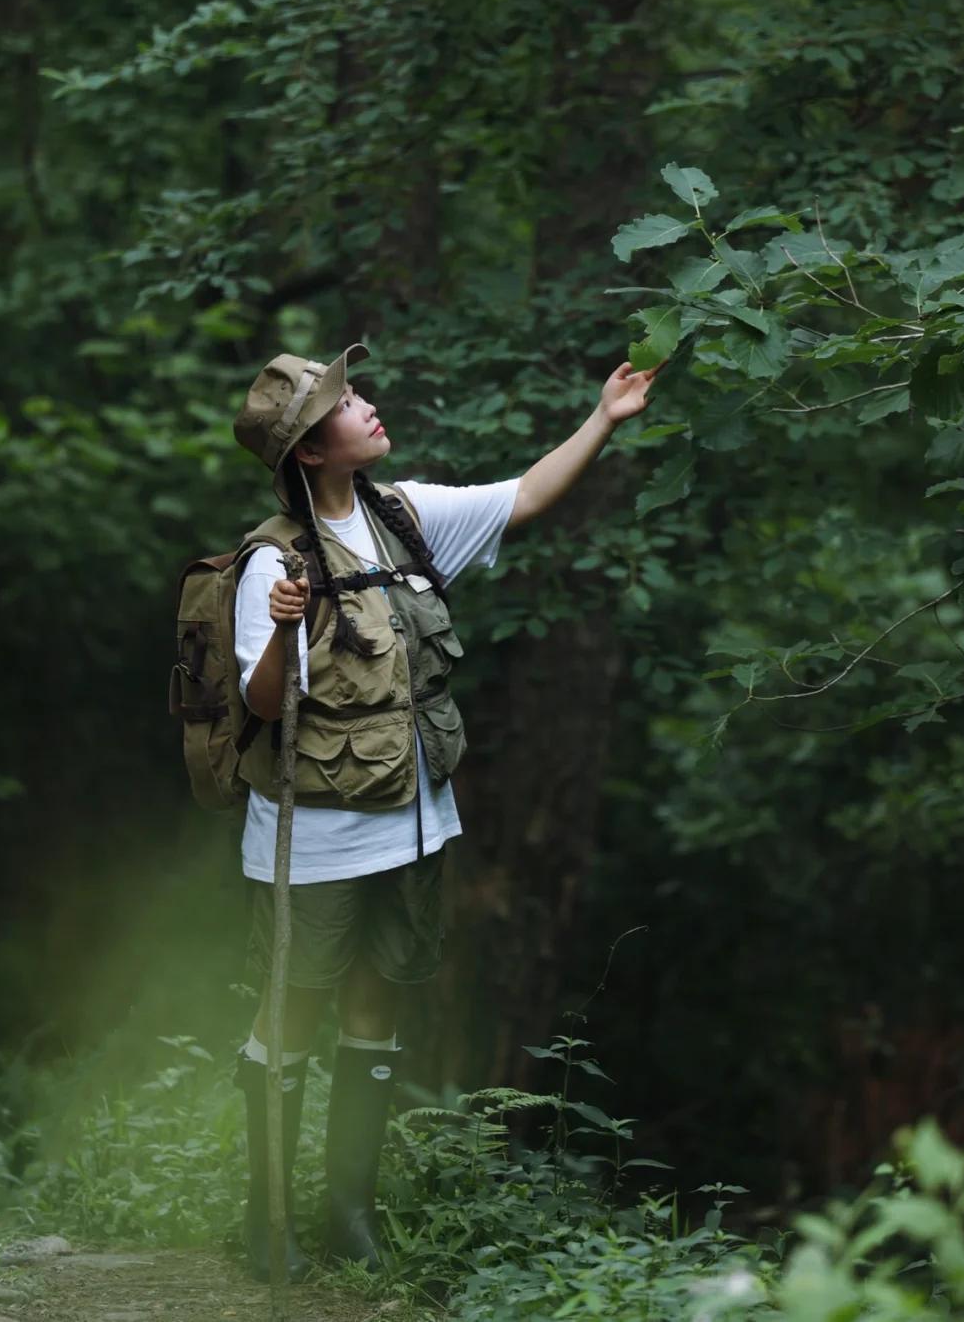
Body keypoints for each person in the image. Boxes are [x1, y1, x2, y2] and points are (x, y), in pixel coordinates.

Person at [230, 344, 659, 1281]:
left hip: (412, 826)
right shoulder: (274, 563)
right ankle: (268, 1223)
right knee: (294, 1013)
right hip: (316, 843)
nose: (370, 406)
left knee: (376, 1009)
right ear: (310, 450)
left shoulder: (406, 520)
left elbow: (524, 496)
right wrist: (289, 625)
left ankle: (349, 1213)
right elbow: (264, 704)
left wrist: (603, 418)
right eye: (348, 404)